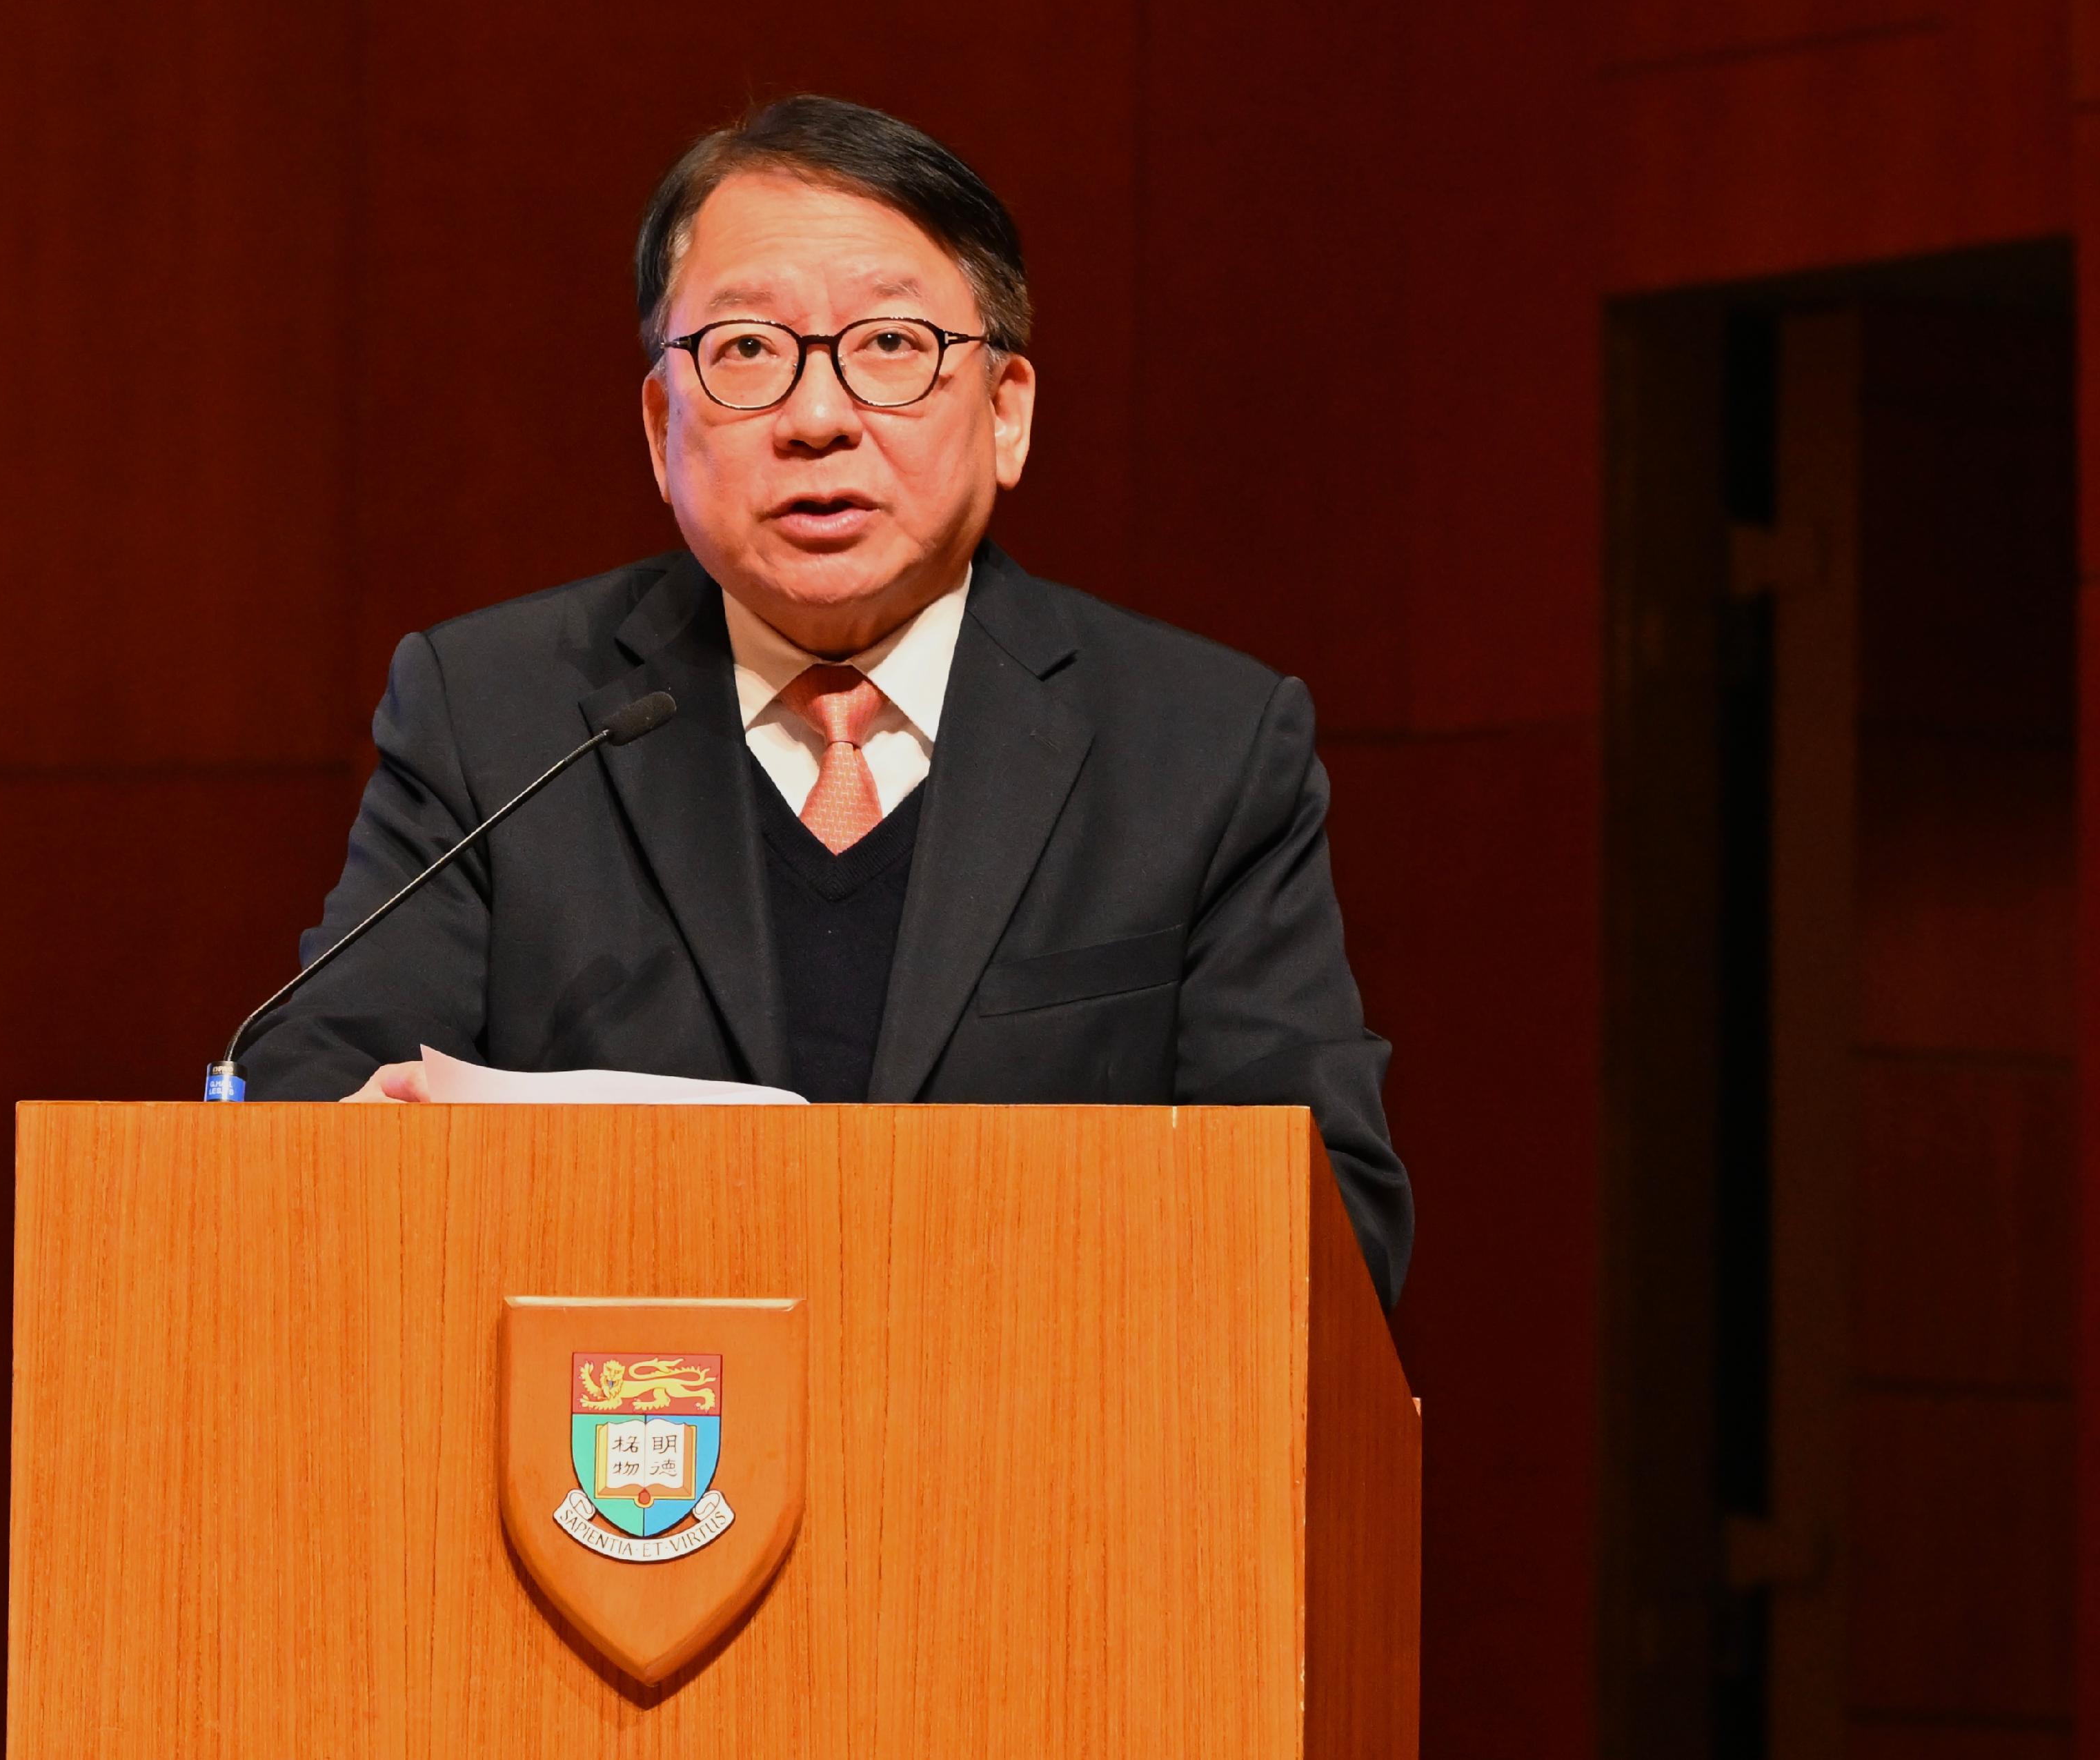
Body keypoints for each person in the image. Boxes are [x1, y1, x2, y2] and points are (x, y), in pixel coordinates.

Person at [234, 96, 1411, 1305]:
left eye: (891, 346)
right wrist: (346, 1147)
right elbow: (309, 1085)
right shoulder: (495, 717)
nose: (817, 419)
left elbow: (1332, 1228)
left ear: (1006, 411)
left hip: (1040, 1456)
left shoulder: (1202, 747)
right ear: (659, 426)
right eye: (747, 351)